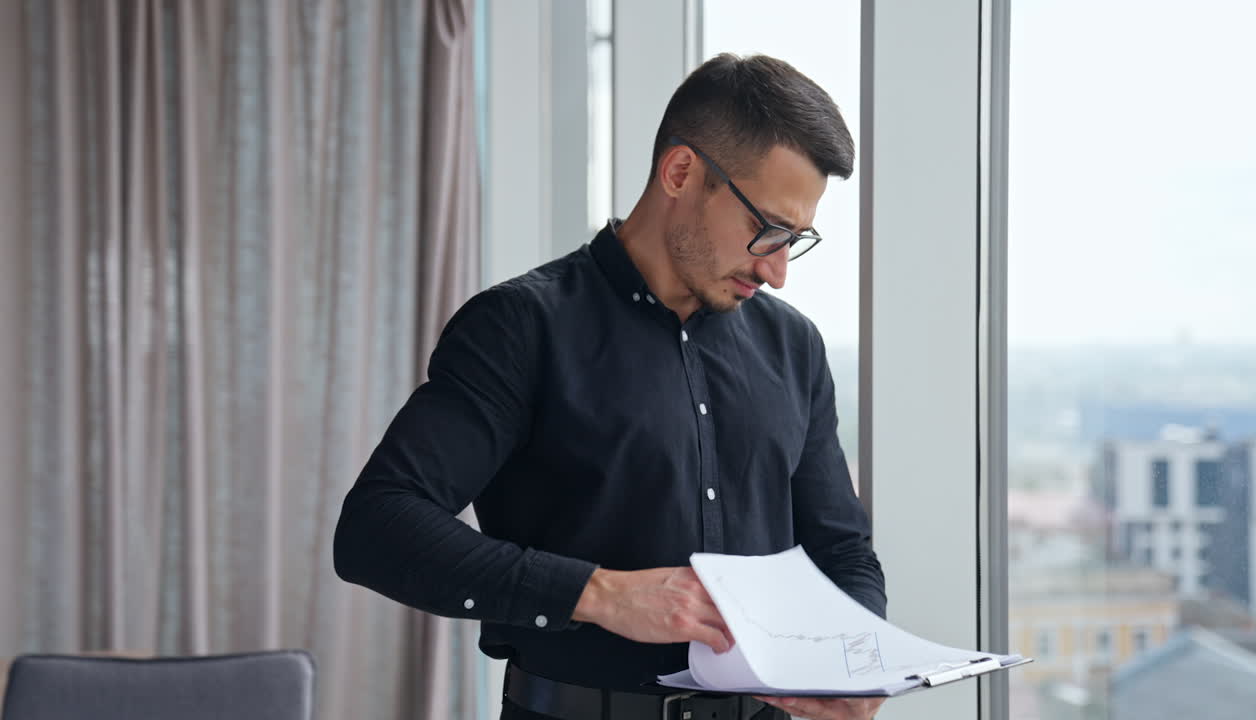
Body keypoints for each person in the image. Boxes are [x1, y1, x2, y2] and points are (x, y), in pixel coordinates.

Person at [334, 53, 887, 720]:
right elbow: (376, 527)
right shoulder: (521, 327)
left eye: (794, 240)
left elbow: (841, 549)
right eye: (765, 230)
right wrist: (598, 593)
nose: (776, 271)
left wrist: (857, 658)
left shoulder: (793, 346)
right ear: (681, 172)